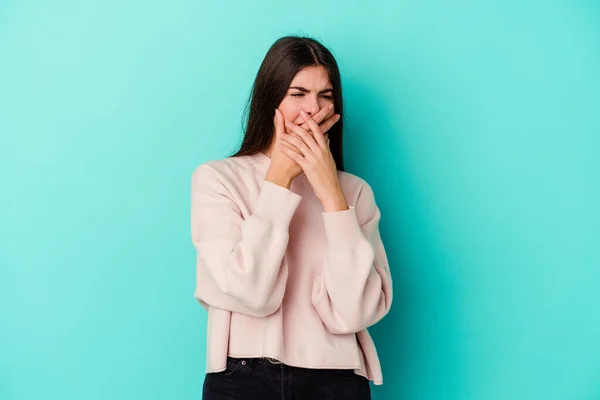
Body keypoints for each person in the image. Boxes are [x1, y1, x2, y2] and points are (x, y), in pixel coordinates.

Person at [190, 35, 393, 400]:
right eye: (297, 94)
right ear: (271, 99)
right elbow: (251, 293)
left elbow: (356, 312)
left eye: (325, 95)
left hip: (337, 380)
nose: (311, 109)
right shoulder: (218, 179)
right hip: (243, 375)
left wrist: (332, 194)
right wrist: (279, 180)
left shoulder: (355, 192)